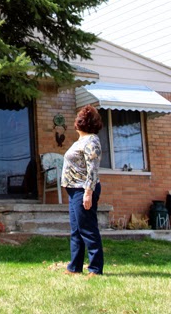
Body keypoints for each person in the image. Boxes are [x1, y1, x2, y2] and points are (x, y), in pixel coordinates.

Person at [61, 104, 104, 277]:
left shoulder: (91, 141)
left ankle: (95, 269)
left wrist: (88, 193)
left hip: (83, 190)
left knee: (88, 229)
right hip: (74, 190)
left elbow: (93, 168)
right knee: (76, 231)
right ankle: (74, 267)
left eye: (79, 119)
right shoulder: (81, 141)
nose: (76, 122)